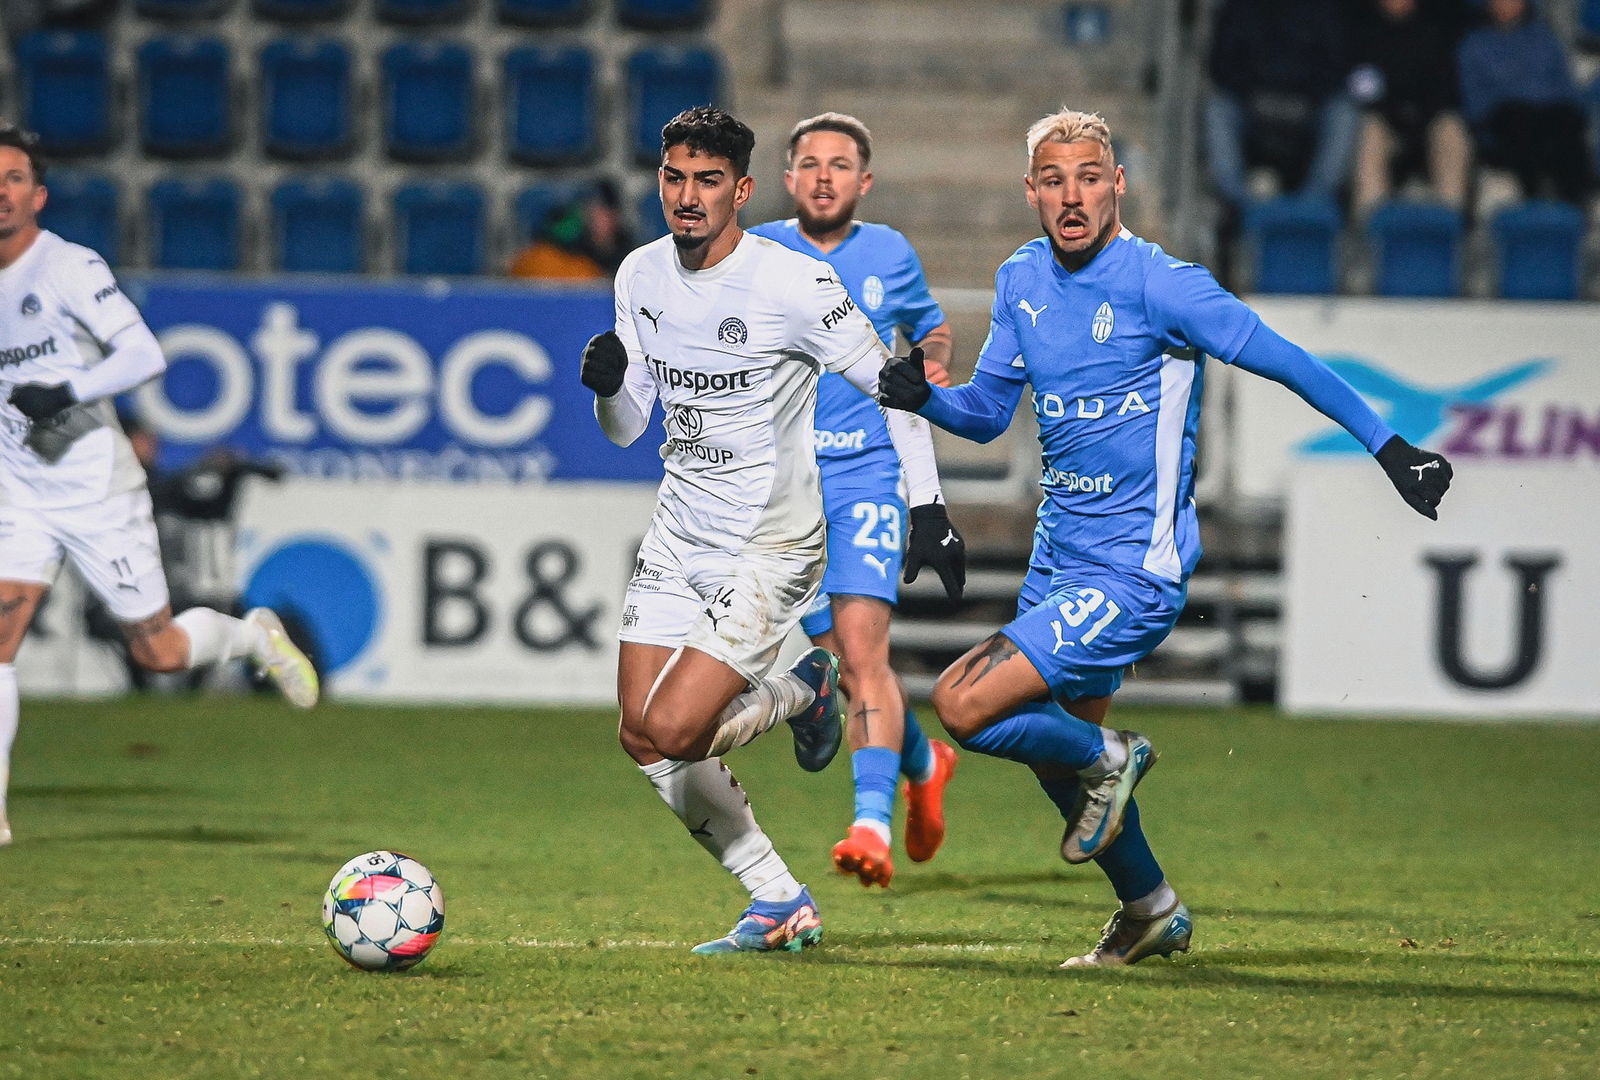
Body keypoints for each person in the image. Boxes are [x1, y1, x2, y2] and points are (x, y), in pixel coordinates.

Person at [878, 108, 1452, 967]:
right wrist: (925, 399)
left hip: (1132, 573)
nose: (1072, 196)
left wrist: (1389, 447)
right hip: (1057, 562)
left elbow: (1286, 359)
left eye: (1089, 177)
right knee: (1061, 767)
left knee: (965, 704)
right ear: (1031, 191)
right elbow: (990, 413)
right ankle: (1149, 908)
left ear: (1117, 184)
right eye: (1053, 180)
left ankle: (1116, 755)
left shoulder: (1164, 285)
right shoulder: (1021, 278)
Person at [581, 106, 965, 954]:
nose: (688, 195)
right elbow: (629, 427)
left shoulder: (793, 283)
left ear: (743, 190)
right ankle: (778, 899)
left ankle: (804, 689)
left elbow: (894, 386)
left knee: (677, 730)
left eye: (708, 180)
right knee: (639, 734)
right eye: (675, 177)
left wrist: (929, 507)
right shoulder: (640, 274)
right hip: (680, 533)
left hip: (769, 544)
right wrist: (609, 389)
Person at [0, 125, 319, 848]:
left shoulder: (67, 267)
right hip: (19, 493)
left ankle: (252, 636)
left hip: (96, 488)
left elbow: (143, 353)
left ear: (38, 195)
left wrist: (68, 391)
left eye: (15, 178)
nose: (2, 191)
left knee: (159, 651)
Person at [748, 113, 960, 889]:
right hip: (786, 486)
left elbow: (932, 330)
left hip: (869, 472)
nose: (824, 176)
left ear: (863, 182)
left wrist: (930, 364)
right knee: (836, 662)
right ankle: (924, 762)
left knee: (864, 653)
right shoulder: (757, 250)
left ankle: (870, 825)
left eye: (840, 165)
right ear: (789, 179)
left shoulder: (889, 253)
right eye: (811, 163)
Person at [1456, 0, 1592, 206]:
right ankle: (1533, 199)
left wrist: (1573, 109)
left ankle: (1577, 204)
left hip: (1550, 114)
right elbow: (1473, 98)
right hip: (1506, 117)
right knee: (1519, 122)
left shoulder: (1545, 39)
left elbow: (1566, 86)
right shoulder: (1473, 44)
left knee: (1567, 124)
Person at [1348, 0, 1471, 216]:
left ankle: (1449, 218)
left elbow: (1445, 86)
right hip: (1386, 118)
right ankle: (1371, 220)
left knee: (1452, 129)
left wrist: (1421, 116)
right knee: (1369, 129)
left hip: (1428, 118)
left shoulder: (1435, 32)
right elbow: (1363, 86)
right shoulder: (1365, 34)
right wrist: (1392, 113)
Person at [508, 180, 635, 280]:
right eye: (593, 209)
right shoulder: (545, 257)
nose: (596, 217)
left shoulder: (627, 258)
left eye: (606, 211)